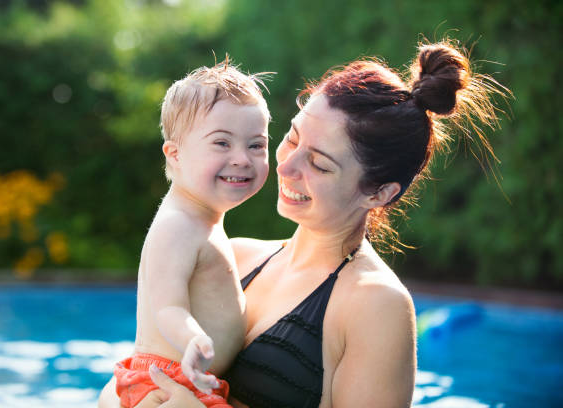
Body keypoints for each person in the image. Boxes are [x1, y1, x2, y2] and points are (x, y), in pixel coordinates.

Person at [99, 39, 506, 408]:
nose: (286, 165)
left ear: (379, 193)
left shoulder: (375, 304)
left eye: (319, 163)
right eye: (292, 139)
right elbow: (139, 368)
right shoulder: (235, 255)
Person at [99, 59, 271, 408]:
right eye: (222, 143)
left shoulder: (204, 221)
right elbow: (168, 309)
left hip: (183, 381)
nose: (242, 158)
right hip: (166, 384)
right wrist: (193, 339)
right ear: (175, 154)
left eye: (256, 145)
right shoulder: (177, 225)